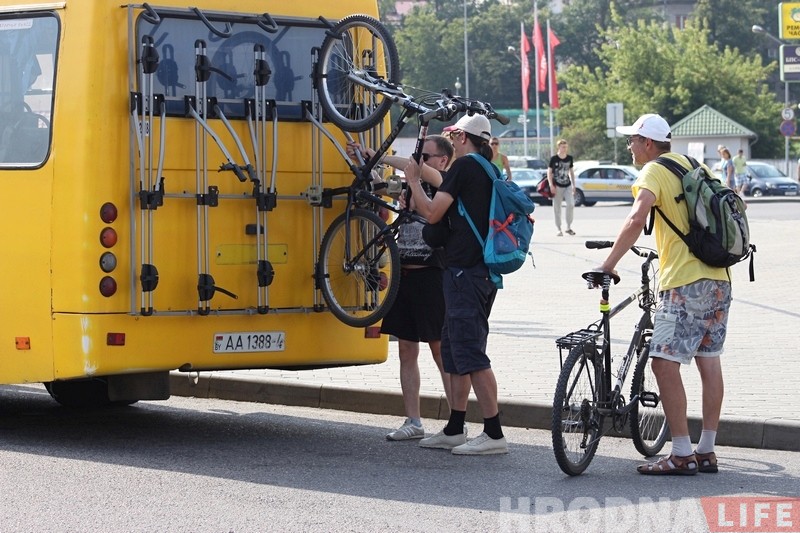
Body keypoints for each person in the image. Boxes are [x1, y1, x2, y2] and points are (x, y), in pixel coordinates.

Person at [598, 113, 731, 475]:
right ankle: (706, 450)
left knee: (662, 363)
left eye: (633, 140)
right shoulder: (695, 165)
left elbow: (636, 218)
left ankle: (682, 453)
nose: (630, 146)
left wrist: (609, 264)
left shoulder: (653, 171)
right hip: (720, 278)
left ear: (648, 143)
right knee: (709, 361)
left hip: (685, 282)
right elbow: (736, 204)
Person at [402, 113, 508, 455]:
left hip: (466, 274)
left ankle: (494, 434)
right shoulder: (489, 168)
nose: (451, 140)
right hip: (476, 273)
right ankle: (455, 428)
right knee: (454, 349)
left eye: (453, 135)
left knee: (471, 353)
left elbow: (432, 213)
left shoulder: (465, 166)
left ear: (463, 138)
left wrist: (414, 181)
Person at [345, 136, 455, 442]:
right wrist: (362, 159)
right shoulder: (411, 185)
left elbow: (411, 167)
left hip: (432, 274)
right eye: (419, 155)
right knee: (406, 349)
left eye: (425, 156)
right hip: (404, 273)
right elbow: (381, 186)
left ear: (442, 161)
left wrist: (379, 155)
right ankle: (413, 420)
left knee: (440, 350)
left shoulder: (443, 181)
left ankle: (456, 421)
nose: (419, 160)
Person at [547, 139, 576, 236]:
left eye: (566, 147)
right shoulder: (554, 158)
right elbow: (549, 172)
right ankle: (559, 228)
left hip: (567, 184)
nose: (565, 149)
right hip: (557, 185)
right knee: (557, 207)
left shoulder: (569, 158)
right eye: (563, 147)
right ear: (559, 147)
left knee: (571, 204)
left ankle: (568, 227)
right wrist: (551, 185)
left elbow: (571, 172)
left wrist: (574, 185)